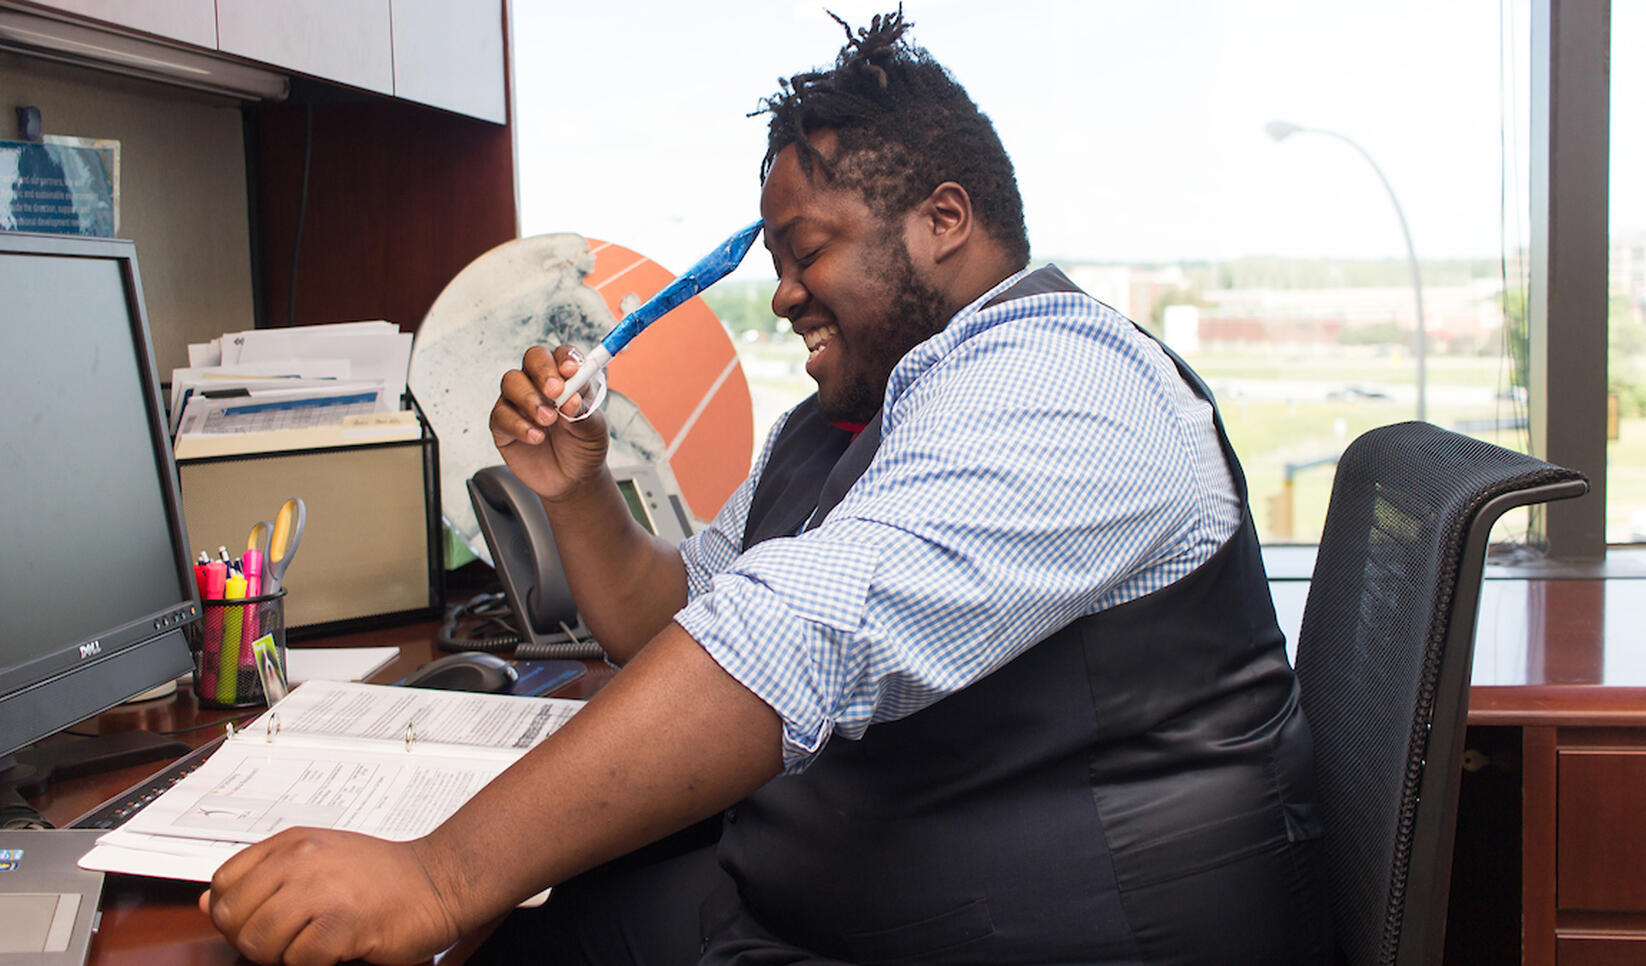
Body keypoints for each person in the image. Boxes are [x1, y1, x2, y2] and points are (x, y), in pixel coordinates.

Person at [201, 10, 1331, 965]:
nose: (784, 295)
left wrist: (439, 877)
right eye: (777, 262)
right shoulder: (854, 420)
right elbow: (675, 616)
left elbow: (790, 633)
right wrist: (578, 491)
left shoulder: (1064, 383)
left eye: (809, 252)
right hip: (810, 903)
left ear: (944, 222)